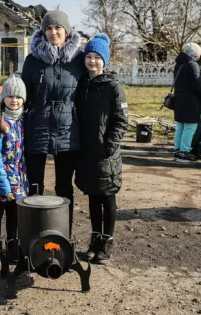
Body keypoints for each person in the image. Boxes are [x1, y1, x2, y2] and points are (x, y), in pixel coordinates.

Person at [21, 10, 84, 235]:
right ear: (43, 31)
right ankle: (34, 234)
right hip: (37, 127)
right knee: (35, 185)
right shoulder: (32, 60)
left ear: (66, 31)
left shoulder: (79, 59)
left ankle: (63, 234)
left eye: (57, 28)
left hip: (69, 131)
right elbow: (22, 94)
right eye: (48, 28)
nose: (53, 32)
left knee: (64, 187)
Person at [75, 34, 128, 264]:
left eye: (97, 57)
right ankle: (94, 240)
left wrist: (109, 146)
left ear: (104, 60)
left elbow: (121, 120)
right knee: (93, 197)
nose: (92, 61)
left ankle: (107, 243)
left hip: (105, 153)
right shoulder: (82, 84)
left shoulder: (113, 86)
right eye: (88, 56)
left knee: (107, 196)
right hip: (86, 151)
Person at [0, 75, 28, 266]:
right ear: (3, 98)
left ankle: (12, 244)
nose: (14, 100)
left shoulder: (22, 121)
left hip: (18, 178)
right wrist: (1, 183)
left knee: (14, 212)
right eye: (10, 96)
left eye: (18, 97)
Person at [173, 43, 201, 163]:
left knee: (180, 126)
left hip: (179, 99)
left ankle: (177, 150)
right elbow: (197, 85)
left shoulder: (179, 64)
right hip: (190, 101)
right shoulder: (192, 65)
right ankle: (184, 152)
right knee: (190, 127)